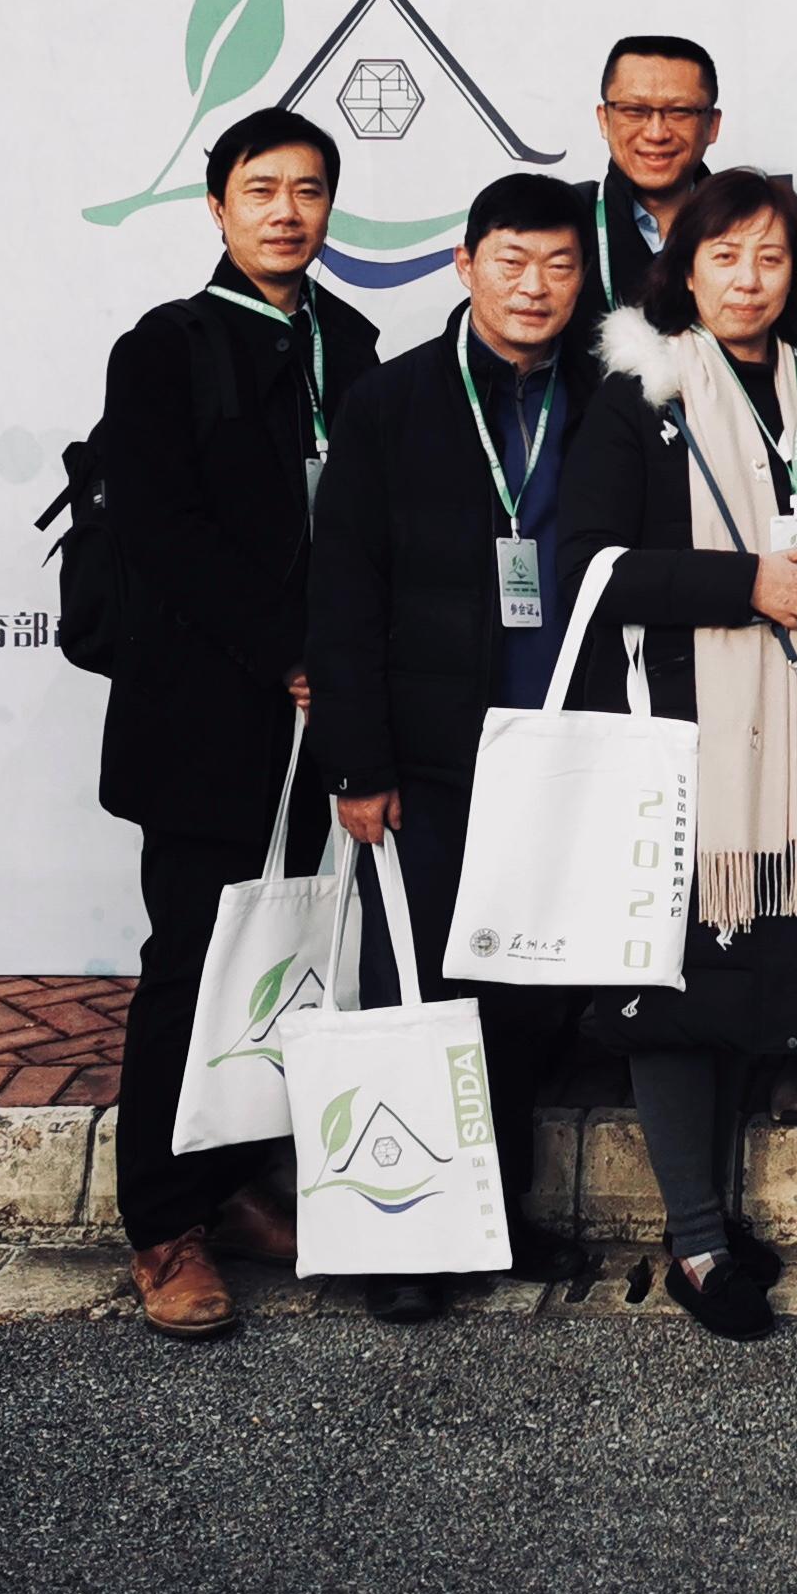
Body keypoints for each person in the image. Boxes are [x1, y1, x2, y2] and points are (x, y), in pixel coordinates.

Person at [93, 108, 380, 1339]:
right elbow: (161, 533)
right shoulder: (167, 347)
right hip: (207, 716)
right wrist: (287, 650)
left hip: (321, 721)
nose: (286, 212)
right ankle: (164, 1224)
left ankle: (243, 1182)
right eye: (261, 189)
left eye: (308, 190)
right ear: (217, 207)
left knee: (294, 959)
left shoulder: (349, 343)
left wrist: (347, 662)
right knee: (193, 966)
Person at [560, 169, 797, 1341]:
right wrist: (745, 586)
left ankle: (715, 1220)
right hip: (684, 742)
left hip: (789, 742)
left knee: (745, 984)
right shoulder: (643, 391)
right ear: (684, 270)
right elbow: (593, 568)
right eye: (724, 256)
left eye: (770, 258)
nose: (747, 279)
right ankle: (693, 1244)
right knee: (679, 993)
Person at [304, 174, 603, 1323]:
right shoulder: (391, 404)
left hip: (559, 751)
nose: (535, 287)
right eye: (512, 262)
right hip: (429, 758)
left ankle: (496, 1212)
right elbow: (345, 593)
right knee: (415, 990)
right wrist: (358, 764)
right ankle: (406, 1238)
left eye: (560, 265)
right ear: (465, 264)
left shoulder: (605, 398)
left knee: (523, 999)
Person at [575, 34, 722, 325]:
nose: (656, 133)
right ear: (604, 120)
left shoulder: (751, 225)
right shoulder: (565, 216)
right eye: (634, 111)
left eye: (679, 112)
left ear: (712, 125)